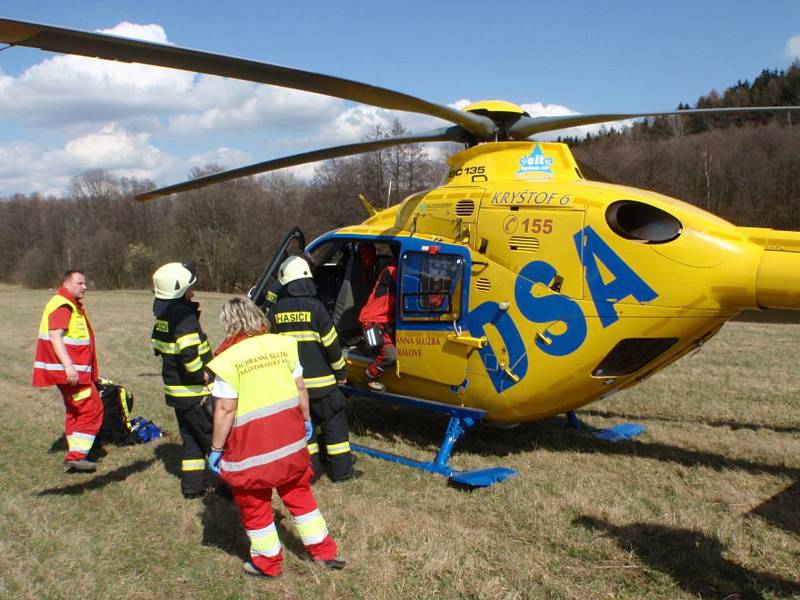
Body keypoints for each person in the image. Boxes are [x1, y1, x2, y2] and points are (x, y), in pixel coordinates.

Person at [207, 297, 345, 578]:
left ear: (229, 324)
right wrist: (306, 420)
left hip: (251, 450)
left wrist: (215, 448)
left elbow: (224, 408)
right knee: (301, 497)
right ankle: (325, 552)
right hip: (290, 442)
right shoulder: (283, 345)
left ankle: (268, 563)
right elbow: (300, 389)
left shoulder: (228, 358)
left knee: (255, 505)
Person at [270, 255, 359, 482]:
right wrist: (341, 374)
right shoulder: (316, 308)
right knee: (335, 427)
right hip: (324, 387)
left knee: (304, 430)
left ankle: (311, 472)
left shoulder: (275, 311)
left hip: (294, 387)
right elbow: (332, 346)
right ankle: (342, 472)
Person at [151, 262, 214, 498]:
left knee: (191, 440)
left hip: (175, 393)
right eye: (191, 288)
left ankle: (192, 487)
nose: (193, 292)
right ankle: (231, 488)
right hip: (194, 392)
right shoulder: (184, 317)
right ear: (180, 289)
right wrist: (202, 375)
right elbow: (189, 353)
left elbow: (157, 345)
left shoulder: (163, 315)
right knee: (212, 439)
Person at [33, 270, 103, 472]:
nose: (85, 287)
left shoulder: (68, 303)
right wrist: (69, 367)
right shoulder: (63, 304)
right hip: (72, 374)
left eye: (85, 283)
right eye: (80, 283)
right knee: (92, 408)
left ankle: (76, 451)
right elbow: (56, 336)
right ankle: (77, 455)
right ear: (66, 284)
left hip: (74, 372)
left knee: (76, 410)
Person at [359, 258, 398, 392]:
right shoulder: (390, 271)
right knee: (390, 355)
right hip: (372, 320)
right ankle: (370, 375)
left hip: (386, 321)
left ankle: (369, 347)